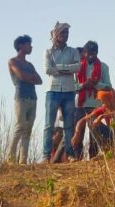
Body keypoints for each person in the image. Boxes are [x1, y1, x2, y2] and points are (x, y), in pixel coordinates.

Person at [43, 22, 80, 162]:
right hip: (53, 90)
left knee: (69, 124)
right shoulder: (48, 52)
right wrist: (67, 69)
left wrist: (58, 68)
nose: (65, 36)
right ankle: (46, 155)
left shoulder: (73, 51)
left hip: (69, 90)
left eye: (67, 33)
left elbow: (77, 67)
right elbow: (47, 70)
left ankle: (70, 154)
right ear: (56, 35)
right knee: (49, 124)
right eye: (63, 33)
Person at [7, 35, 42, 164]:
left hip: (32, 98)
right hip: (21, 97)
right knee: (19, 127)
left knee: (28, 129)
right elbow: (21, 76)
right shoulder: (13, 61)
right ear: (21, 46)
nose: (31, 47)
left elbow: (39, 80)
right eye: (28, 44)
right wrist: (30, 77)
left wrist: (30, 77)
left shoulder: (30, 64)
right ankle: (10, 159)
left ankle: (23, 161)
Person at [72, 88, 115, 155]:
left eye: (105, 101)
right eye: (102, 101)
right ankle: (107, 152)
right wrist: (77, 133)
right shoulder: (104, 108)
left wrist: (102, 116)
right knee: (91, 121)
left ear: (112, 98)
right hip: (114, 138)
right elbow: (82, 120)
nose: (104, 104)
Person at [74, 41, 112, 159]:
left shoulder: (104, 67)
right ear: (84, 53)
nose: (91, 55)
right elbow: (72, 87)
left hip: (96, 104)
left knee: (94, 131)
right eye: (88, 53)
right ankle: (77, 157)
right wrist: (84, 85)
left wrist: (96, 84)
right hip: (80, 104)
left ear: (97, 52)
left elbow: (108, 86)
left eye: (94, 53)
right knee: (78, 131)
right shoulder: (77, 67)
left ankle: (93, 157)